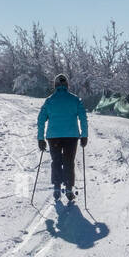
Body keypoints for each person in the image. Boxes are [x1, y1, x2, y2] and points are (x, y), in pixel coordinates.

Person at [36, 73, 88, 205]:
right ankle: (69, 188)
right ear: (67, 85)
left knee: (57, 161)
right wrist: (84, 135)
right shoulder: (75, 100)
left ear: (55, 85)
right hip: (71, 136)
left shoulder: (49, 101)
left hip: (54, 137)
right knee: (69, 161)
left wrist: (40, 138)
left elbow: (41, 120)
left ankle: (57, 187)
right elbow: (83, 118)